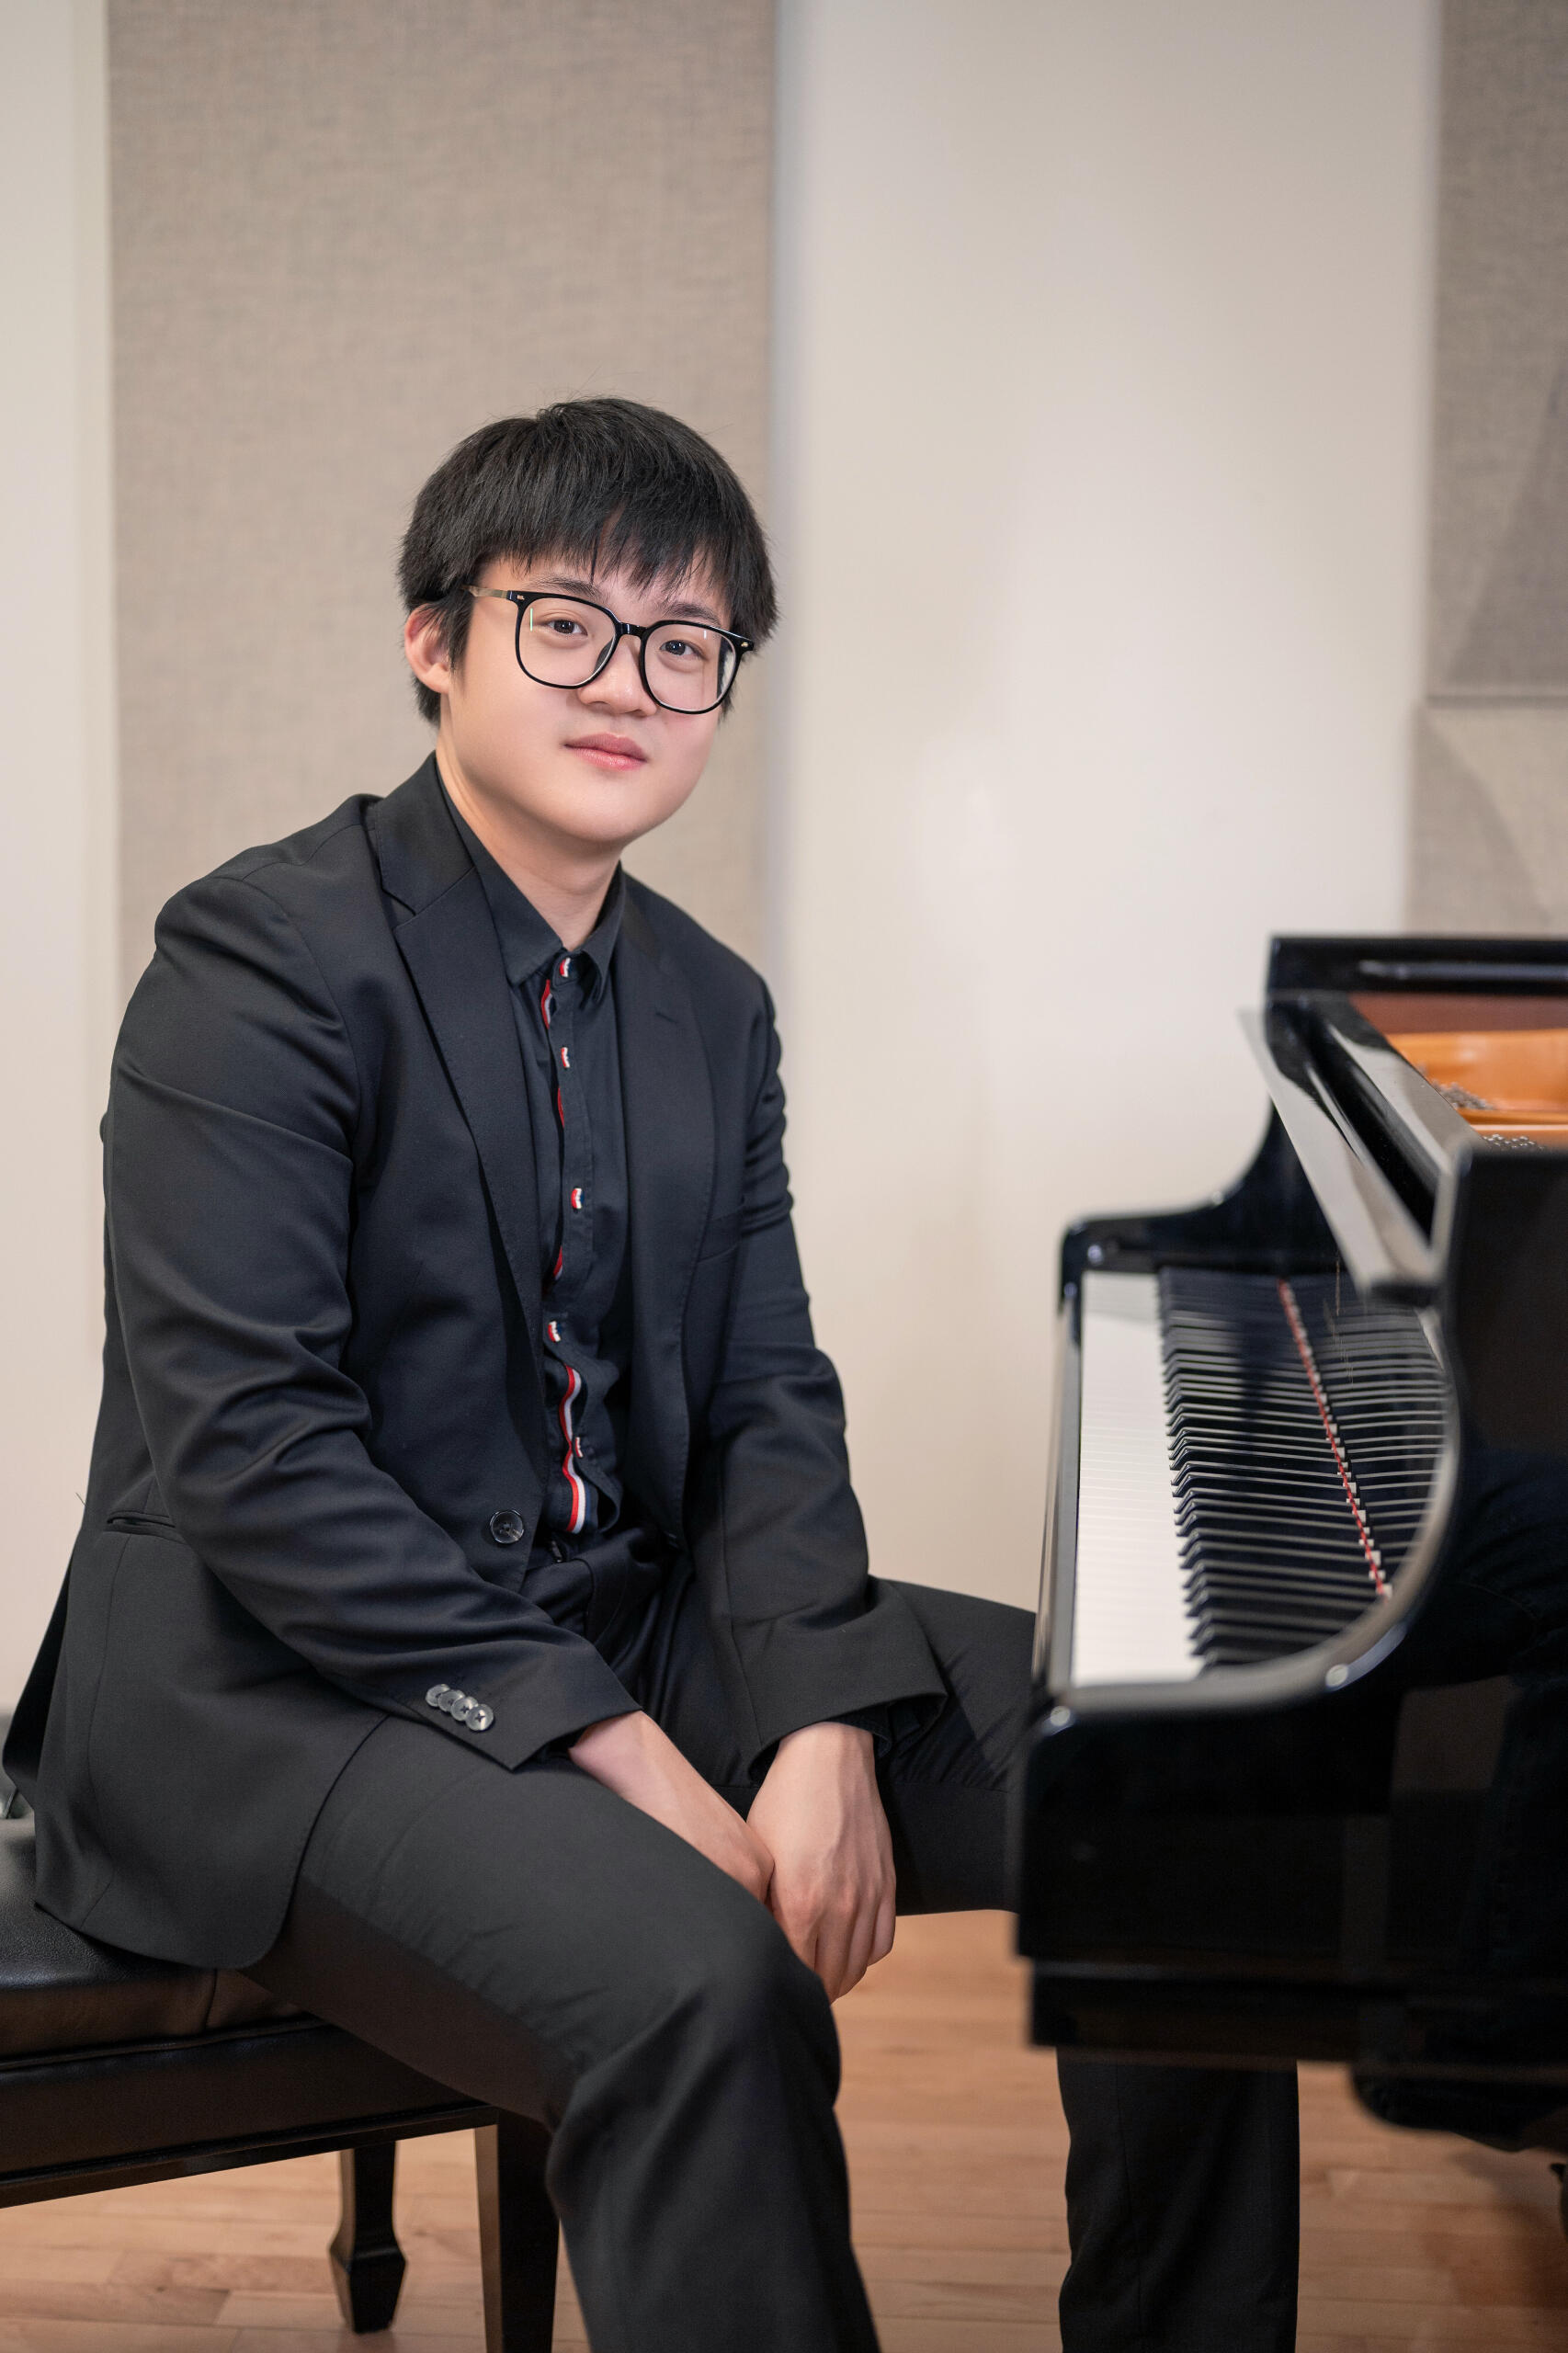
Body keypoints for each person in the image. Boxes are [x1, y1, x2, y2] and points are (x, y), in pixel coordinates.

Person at [5, 399, 1298, 2351]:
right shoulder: (256, 958)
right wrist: (620, 1753)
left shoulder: (711, 1001)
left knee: (1187, 1781)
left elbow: (770, 1389)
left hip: (615, 1608)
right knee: (707, 1979)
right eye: (567, 623)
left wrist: (821, 1715)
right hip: (275, 1689)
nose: (628, 681)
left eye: (684, 642)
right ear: (433, 638)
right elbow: (255, 1458)